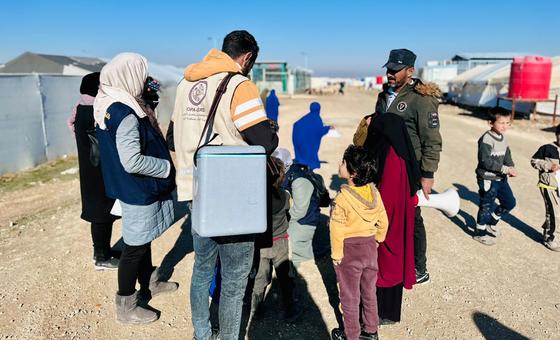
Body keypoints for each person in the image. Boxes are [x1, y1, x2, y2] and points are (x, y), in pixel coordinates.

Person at [172, 30, 278, 340]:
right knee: (233, 279)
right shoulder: (239, 85)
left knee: (202, 270)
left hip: (195, 190)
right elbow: (263, 141)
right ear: (246, 58)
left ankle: (202, 334)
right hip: (231, 195)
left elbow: (171, 136)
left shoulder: (185, 84)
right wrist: (272, 132)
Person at [94, 53, 179, 324]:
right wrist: (165, 167)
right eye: (141, 75)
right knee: (134, 248)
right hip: (137, 187)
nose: (144, 81)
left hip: (127, 186)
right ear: (129, 76)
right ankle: (126, 306)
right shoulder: (126, 113)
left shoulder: (107, 102)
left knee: (143, 239)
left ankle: (149, 284)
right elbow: (132, 161)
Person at [354, 49, 442, 284]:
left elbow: (432, 139)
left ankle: (418, 267)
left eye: (395, 70)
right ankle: (387, 260)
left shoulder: (422, 100)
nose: (390, 74)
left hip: (408, 169)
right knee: (383, 215)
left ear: (410, 71)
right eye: (388, 69)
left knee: (412, 217)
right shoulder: (384, 96)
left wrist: (427, 174)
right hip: (382, 167)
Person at [363, 112, 421, 324]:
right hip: (401, 214)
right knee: (396, 259)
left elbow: (384, 193)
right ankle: (389, 313)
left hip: (388, 218)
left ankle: (380, 314)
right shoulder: (402, 150)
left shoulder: (389, 154)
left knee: (386, 261)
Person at [330, 145, 388, 340]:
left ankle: (351, 334)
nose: (340, 164)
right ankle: (371, 330)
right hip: (370, 249)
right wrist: (378, 238)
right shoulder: (374, 193)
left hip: (349, 252)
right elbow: (384, 221)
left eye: (343, 163)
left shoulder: (342, 199)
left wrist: (337, 255)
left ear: (352, 173)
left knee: (349, 296)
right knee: (369, 292)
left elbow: (336, 229)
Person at [68, 72, 119, 270]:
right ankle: (101, 257)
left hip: (90, 168)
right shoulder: (95, 111)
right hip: (99, 170)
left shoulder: (80, 108)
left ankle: (104, 251)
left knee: (101, 212)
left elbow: (73, 126)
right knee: (101, 213)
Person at [250, 153, 302, 323]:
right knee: (284, 275)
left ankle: (256, 308)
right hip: (280, 241)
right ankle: (290, 307)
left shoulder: (256, 200)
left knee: (260, 276)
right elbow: (288, 212)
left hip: (261, 244)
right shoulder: (285, 195)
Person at [474, 106, 517, 245]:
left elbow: (507, 154)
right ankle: (479, 232)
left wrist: (511, 167)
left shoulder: (503, 138)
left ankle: (491, 223)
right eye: (501, 123)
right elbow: (485, 161)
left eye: (507, 123)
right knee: (487, 205)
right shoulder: (486, 139)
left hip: (501, 178)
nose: (505, 126)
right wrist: (505, 169)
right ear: (491, 123)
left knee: (509, 202)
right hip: (487, 178)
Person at [282, 154, 330, 267]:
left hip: (305, 221)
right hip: (305, 218)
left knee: (294, 251)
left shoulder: (298, 180)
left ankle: (318, 251)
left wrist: (281, 220)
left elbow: (299, 211)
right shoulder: (292, 172)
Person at [531, 124, 560, 251]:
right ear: (557, 135)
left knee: (556, 213)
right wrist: (548, 165)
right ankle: (550, 238)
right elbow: (534, 161)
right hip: (548, 185)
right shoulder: (547, 148)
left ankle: (548, 228)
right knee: (553, 212)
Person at [293, 102, 331, 171]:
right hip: (309, 146)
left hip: (300, 144)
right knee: (310, 159)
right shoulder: (317, 118)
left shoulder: (305, 117)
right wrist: (327, 128)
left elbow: (296, 125)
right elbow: (320, 131)